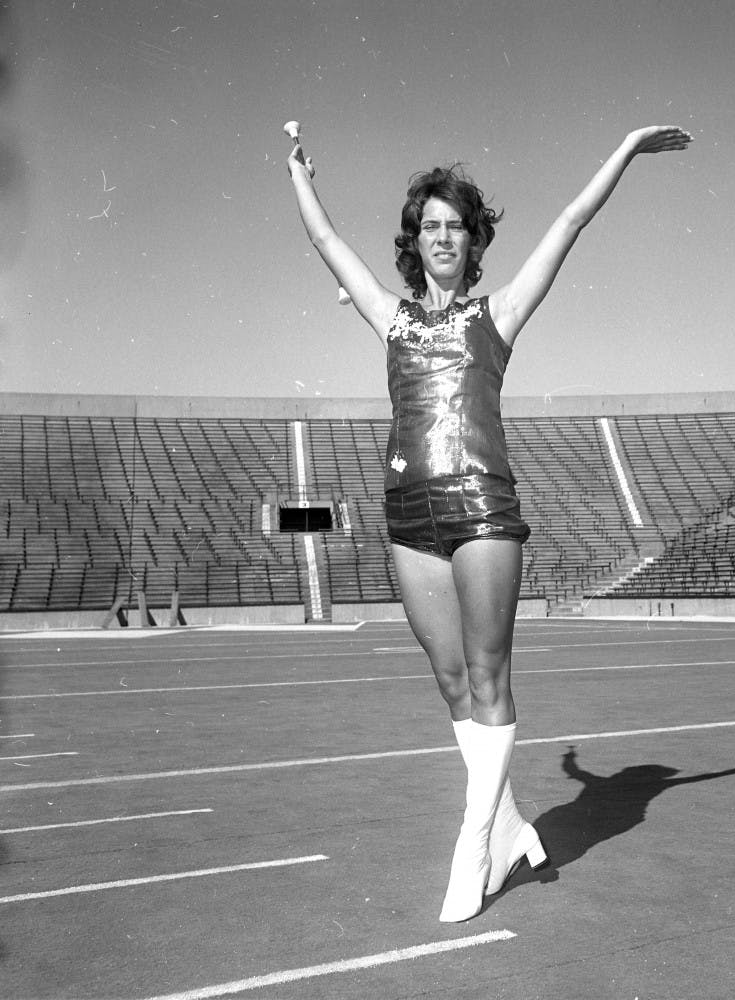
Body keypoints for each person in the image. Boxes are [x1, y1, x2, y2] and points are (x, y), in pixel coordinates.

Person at [287, 124, 693, 922]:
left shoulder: (498, 314)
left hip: (480, 510)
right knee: (449, 682)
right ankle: (509, 824)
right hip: (408, 515)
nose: (443, 236)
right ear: (416, 241)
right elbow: (325, 237)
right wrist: (298, 173)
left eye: (455, 226)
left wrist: (627, 147)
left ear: (474, 242)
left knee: (488, 680)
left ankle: (473, 844)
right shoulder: (390, 318)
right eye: (430, 226)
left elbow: (570, 221)